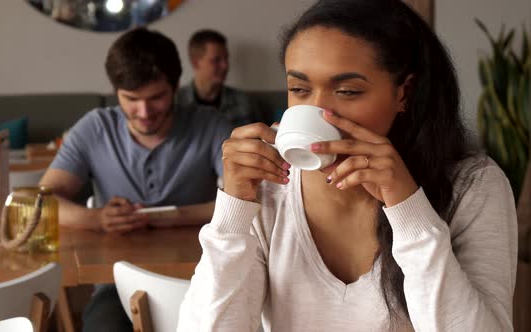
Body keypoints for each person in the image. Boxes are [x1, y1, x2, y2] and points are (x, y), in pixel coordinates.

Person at [177, 0, 518, 331]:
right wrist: (233, 210)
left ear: (405, 93)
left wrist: (408, 207)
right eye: (299, 88)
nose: (319, 111)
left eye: (347, 91)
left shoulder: (473, 185)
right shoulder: (269, 185)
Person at [39, 28, 233, 331]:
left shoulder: (210, 125)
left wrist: (173, 216)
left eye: (156, 97)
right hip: (116, 283)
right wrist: (98, 219)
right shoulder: (95, 127)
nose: (144, 112)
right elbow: (44, 200)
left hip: (203, 277)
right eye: (131, 99)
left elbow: (246, 200)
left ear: (175, 86)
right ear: (116, 92)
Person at [176, 29, 262, 127]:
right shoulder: (176, 103)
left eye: (226, 58)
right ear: (196, 63)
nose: (225, 65)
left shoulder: (244, 102)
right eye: (216, 60)